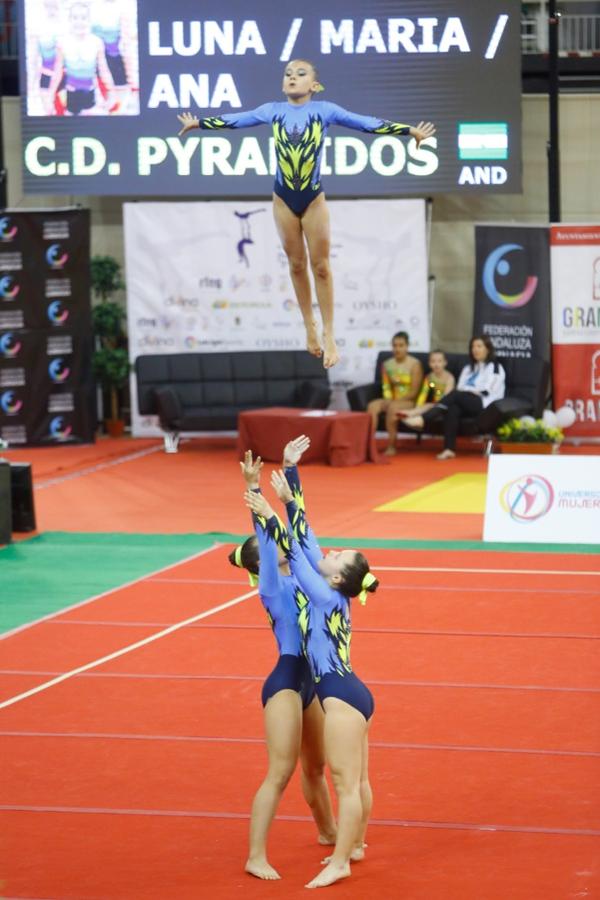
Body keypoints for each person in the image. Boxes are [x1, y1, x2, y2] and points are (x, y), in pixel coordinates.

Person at [177, 60, 435, 369]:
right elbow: (236, 120)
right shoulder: (272, 110)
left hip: (313, 199)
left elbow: (366, 123)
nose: (292, 77)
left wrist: (409, 131)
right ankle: (309, 325)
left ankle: (329, 334)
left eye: (300, 74)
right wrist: (199, 124)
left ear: (314, 85)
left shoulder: (325, 110)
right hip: (283, 199)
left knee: (321, 267)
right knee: (297, 265)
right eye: (288, 73)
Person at [246, 468, 379, 889]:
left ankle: (342, 859)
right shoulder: (299, 589)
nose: (330, 551)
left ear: (338, 575)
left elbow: (298, 548)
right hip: (333, 689)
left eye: (337, 556)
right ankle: (349, 846)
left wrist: (272, 510)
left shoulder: (320, 592)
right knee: (349, 780)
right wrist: (285, 492)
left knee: (345, 783)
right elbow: (297, 544)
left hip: (335, 694)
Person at [230, 442, 336, 881]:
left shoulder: (303, 575)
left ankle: (329, 832)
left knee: (315, 767)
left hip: (312, 682)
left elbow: (299, 526)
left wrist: (291, 471)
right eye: (266, 545)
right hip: (286, 683)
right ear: (260, 562)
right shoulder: (271, 587)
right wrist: (254, 492)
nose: (274, 544)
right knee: (280, 771)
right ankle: (255, 855)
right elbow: (269, 530)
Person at [403, 335, 505, 459]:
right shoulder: (468, 368)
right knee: (453, 408)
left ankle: (424, 418)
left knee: (455, 395)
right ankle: (449, 449)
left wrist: (467, 392)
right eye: (473, 347)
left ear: (488, 349)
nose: (475, 349)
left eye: (479, 346)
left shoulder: (495, 367)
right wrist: (466, 392)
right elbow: (461, 387)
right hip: (465, 400)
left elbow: (486, 391)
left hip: (484, 404)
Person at [48, 1, 115, 116]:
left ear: (88, 20)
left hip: (90, 95)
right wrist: (50, 96)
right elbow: (57, 73)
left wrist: (111, 92)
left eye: (83, 18)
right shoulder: (63, 43)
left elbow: (104, 70)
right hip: (71, 95)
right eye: (75, 18)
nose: (79, 22)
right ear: (70, 20)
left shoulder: (96, 42)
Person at [367, 331, 423, 456]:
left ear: (407, 347)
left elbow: (414, 392)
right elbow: (386, 386)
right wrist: (387, 399)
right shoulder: (387, 364)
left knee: (393, 408)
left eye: (401, 345)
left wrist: (394, 402)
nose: (397, 349)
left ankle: (391, 446)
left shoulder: (415, 364)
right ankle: (369, 444)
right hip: (391, 399)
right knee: (372, 406)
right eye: (395, 345)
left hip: (408, 401)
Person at [397, 348, 455, 417]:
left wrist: (436, 405)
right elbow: (423, 393)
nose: (436, 364)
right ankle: (413, 412)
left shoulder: (449, 378)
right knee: (427, 405)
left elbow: (447, 397)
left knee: (429, 406)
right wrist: (418, 406)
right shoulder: (429, 377)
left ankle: (411, 413)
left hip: (446, 405)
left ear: (445, 363)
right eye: (433, 361)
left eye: (439, 361)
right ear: (429, 363)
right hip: (434, 403)